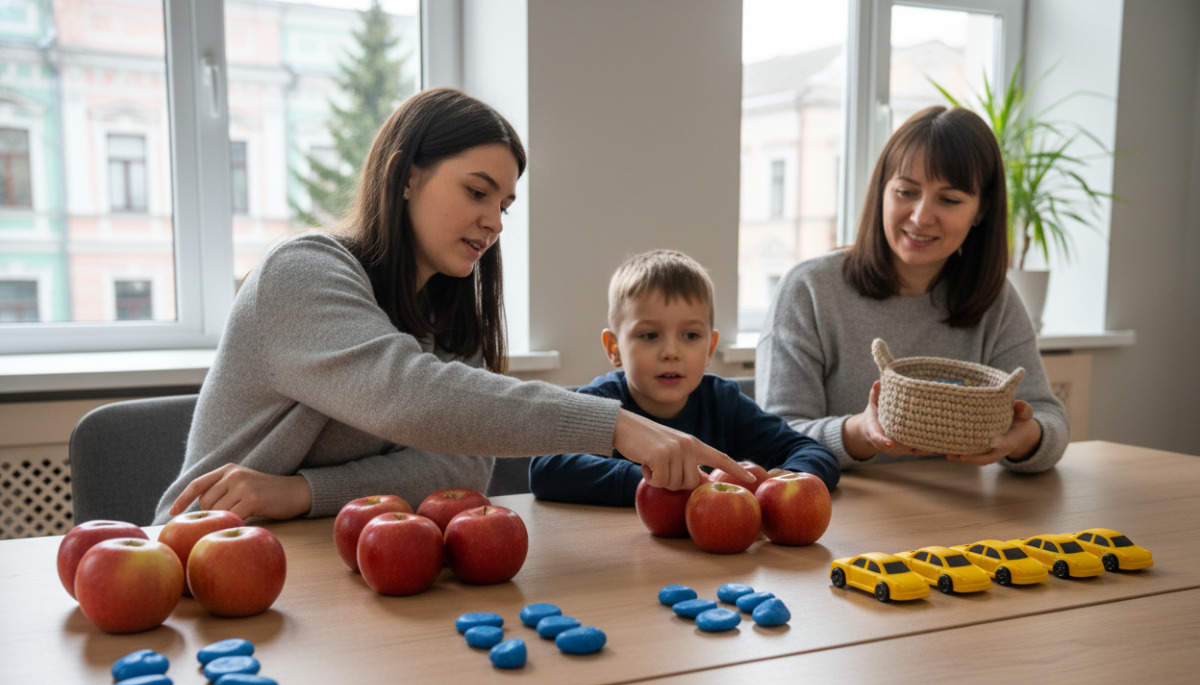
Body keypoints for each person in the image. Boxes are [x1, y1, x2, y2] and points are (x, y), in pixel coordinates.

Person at [154, 88, 751, 525]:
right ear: (405, 176)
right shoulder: (300, 272)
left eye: (504, 205)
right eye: (476, 192)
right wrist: (616, 425)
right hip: (210, 542)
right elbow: (405, 395)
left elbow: (460, 468)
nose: (494, 222)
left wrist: (302, 492)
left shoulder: (447, 311)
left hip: (330, 541)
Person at [756, 105, 1068, 474]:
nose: (920, 217)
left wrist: (1023, 439)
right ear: (882, 192)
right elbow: (773, 440)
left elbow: (1049, 419)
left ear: (980, 211)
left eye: (949, 200)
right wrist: (861, 432)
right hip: (838, 505)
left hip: (959, 503)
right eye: (906, 191)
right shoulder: (809, 290)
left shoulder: (993, 298)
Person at [528, 249, 839, 506]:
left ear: (710, 348)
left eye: (690, 335)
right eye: (650, 335)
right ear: (614, 347)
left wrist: (784, 483)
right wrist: (656, 480)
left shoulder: (724, 402)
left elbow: (814, 453)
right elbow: (545, 468)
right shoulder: (600, 402)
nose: (671, 352)